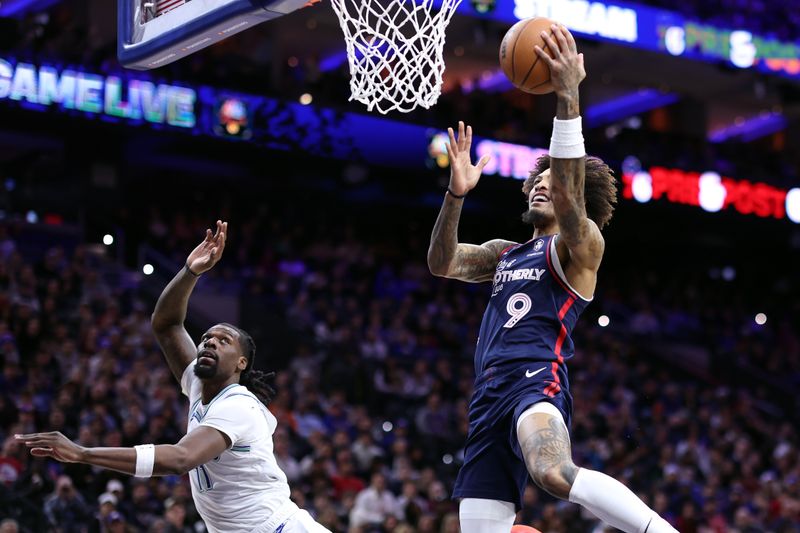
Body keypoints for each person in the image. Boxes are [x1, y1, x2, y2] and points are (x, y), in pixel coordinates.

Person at [427, 25, 678, 533]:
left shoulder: (580, 247)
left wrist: (567, 96)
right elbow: (442, 262)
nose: (542, 189)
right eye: (536, 184)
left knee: (553, 472)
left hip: (534, 381)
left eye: (552, 184)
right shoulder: (505, 254)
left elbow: (568, 196)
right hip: (487, 395)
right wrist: (455, 196)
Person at [16, 221, 329, 533]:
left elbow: (181, 458)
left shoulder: (239, 406)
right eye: (207, 337)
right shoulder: (199, 384)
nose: (210, 342)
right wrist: (190, 272)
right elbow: (166, 325)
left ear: (241, 364)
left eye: (224, 341)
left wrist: (84, 453)